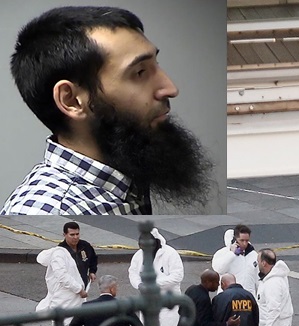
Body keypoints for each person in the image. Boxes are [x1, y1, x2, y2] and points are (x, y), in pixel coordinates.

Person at [1, 6, 212, 215]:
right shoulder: (50, 212)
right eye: (140, 72)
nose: (171, 88)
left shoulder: (128, 174)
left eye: (156, 64)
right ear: (72, 100)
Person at [37, 221, 98, 326]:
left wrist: (92, 271)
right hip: (63, 297)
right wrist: (79, 289)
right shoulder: (59, 253)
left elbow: (92, 258)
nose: (75, 237)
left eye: (77, 234)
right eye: (72, 234)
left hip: (79, 296)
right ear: (64, 235)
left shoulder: (84, 246)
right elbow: (62, 276)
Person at [127, 228, 183, 326]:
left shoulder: (170, 254)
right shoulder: (139, 256)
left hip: (167, 302)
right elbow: (132, 273)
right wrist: (139, 285)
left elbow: (177, 276)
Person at [212, 223, 260, 326]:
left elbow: (257, 278)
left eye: (247, 240)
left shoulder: (253, 255)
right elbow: (218, 268)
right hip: (228, 301)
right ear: (235, 239)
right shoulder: (223, 253)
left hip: (247, 299)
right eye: (241, 240)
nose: (244, 244)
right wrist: (232, 254)